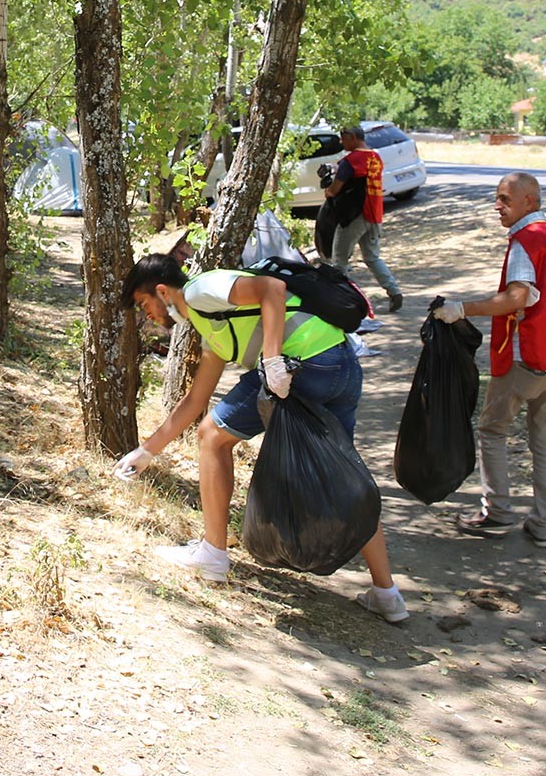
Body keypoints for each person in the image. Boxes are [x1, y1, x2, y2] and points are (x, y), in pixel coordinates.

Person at [113, 254, 410, 622]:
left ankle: (213, 555)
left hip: (304, 364)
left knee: (211, 436)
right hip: (341, 364)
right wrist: (146, 452)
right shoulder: (212, 328)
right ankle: (387, 594)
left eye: (144, 305)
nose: (148, 315)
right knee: (344, 477)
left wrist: (271, 362)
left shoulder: (202, 290)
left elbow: (272, 289)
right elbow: (195, 400)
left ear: (161, 291)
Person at [432, 172, 546, 549]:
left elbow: (519, 297)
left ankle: (498, 511)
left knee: (492, 430)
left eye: (505, 199)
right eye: (497, 198)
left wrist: (462, 309)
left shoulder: (527, 240)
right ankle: (543, 523)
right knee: (545, 445)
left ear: (529, 203)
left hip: (529, 356)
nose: (497, 206)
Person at [323, 124, 402, 313]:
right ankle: (394, 291)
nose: (341, 142)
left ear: (351, 137)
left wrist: (328, 190)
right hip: (374, 214)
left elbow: (335, 189)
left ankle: (343, 299)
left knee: (340, 259)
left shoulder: (351, 161)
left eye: (343, 138)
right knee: (372, 257)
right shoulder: (375, 158)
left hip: (354, 217)